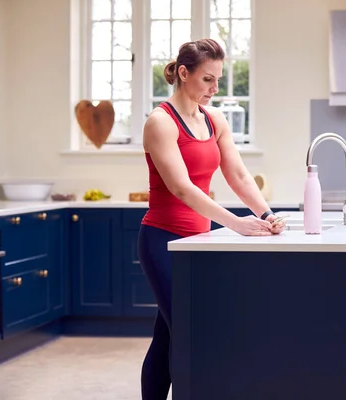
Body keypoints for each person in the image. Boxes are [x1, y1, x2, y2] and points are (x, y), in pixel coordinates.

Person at [137, 38, 286, 400]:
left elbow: (238, 175)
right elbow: (182, 188)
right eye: (207, 80)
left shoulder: (214, 119)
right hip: (162, 240)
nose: (214, 89)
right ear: (183, 73)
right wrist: (236, 225)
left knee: (169, 334)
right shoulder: (160, 122)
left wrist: (266, 214)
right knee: (189, 333)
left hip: (197, 244)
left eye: (218, 80)